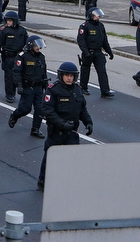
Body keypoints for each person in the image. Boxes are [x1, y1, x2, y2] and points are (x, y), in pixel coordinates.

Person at [38, 61, 92, 190]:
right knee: (51, 157)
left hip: (72, 131)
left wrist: (88, 122)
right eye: (67, 75)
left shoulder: (77, 90)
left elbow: (82, 109)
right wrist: (62, 124)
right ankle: (43, 180)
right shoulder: (53, 90)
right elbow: (48, 111)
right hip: (57, 131)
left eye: (72, 76)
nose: (69, 78)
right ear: (61, 75)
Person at [8, 35, 47, 139]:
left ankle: (35, 129)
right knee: (25, 109)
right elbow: (17, 72)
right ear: (31, 45)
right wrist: (19, 86)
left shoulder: (41, 57)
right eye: (36, 45)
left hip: (38, 87)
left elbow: (44, 72)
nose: (38, 47)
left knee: (40, 109)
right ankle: (15, 116)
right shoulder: (22, 56)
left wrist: (46, 85)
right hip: (27, 87)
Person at [77, 7, 115, 98]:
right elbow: (81, 40)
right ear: (91, 16)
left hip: (98, 52)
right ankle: (83, 87)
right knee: (85, 70)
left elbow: (105, 41)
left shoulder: (101, 26)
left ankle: (105, 91)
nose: (98, 17)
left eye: (98, 16)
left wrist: (109, 52)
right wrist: (86, 52)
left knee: (102, 71)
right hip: (88, 52)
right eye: (96, 16)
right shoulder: (84, 26)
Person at [0, 11, 28, 103]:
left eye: (10, 21)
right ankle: (10, 94)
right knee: (9, 77)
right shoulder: (4, 31)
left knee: (20, 75)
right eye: (7, 20)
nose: (8, 22)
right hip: (8, 57)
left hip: (19, 57)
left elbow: (27, 44)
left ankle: (21, 90)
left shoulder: (22, 31)